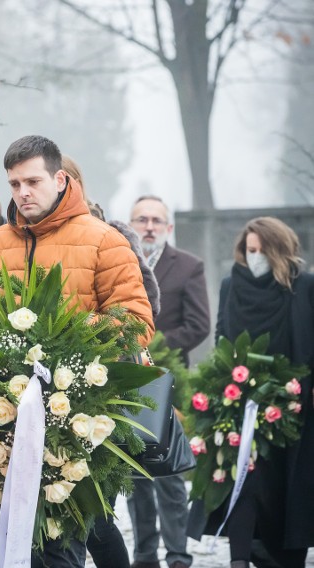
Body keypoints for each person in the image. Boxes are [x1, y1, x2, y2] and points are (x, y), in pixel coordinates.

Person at [0, 135, 155, 567]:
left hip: (82, 422)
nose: (23, 193)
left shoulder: (103, 240)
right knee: (20, 547)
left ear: (59, 178)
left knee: (61, 546)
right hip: (4, 422)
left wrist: (64, 336)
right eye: (14, 184)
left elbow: (136, 323)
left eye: (32, 181)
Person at [192, 216, 314, 568]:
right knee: (244, 476)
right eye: (250, 250)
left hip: (294, 401)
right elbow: (221, 335)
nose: (255, 256)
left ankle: (284, 554)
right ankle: (241, 557)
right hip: (239, 399)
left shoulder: (302, 286)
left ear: (280, 250)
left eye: (262, 250)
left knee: (288, 483)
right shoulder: (232, 285)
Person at [60, 156, 159, 568]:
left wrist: (78, 323)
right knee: (61, 519)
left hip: (102, 395)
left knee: (95, 518)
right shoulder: (22, 238)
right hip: (48, 395)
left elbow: (141, 312)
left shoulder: (111, 235)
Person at [126, 195, 210, 568]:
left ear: (168, 228)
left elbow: (198, 324)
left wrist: (154, 344)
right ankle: (145, 553)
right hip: (128, 380)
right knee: (134, 468)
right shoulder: (121, 260)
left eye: (156, 220)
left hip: (170, 380)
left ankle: (178, 555)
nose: (148, 226)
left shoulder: (188, 266)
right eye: (141, 219)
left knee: (170, 471)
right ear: (130, 224)